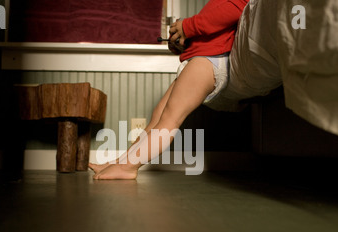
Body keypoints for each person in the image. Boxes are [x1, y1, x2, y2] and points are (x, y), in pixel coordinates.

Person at [89, 0, 249, 180]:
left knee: (169, 120)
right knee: (157, 117)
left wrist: (187, 26)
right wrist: (184, 40)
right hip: (202, 58)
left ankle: (128, 167)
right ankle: (121, 162)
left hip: (211, 60)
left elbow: (231, 11)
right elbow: (211, 29)